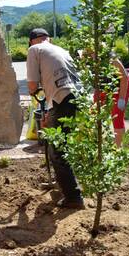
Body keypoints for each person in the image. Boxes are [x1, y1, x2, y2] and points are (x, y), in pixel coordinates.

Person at [26, 28, 84, 209]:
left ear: (32, 41)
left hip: (62, 98)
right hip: (78, 98)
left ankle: (73, 196)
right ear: (48, 38)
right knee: (62, 144)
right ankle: (65, 184)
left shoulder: (34, 50)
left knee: (57, 149)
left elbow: (32, 84)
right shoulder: (61, 50)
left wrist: (33, 91)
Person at [93, 59, 129, 147]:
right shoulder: (87, 58)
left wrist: (121, 99)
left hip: (120, 85)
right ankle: (97, 147)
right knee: (94, 114)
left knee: (117, 116)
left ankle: (118, 149)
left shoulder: (112, 60)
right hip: (102, 86)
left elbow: (124, 78)